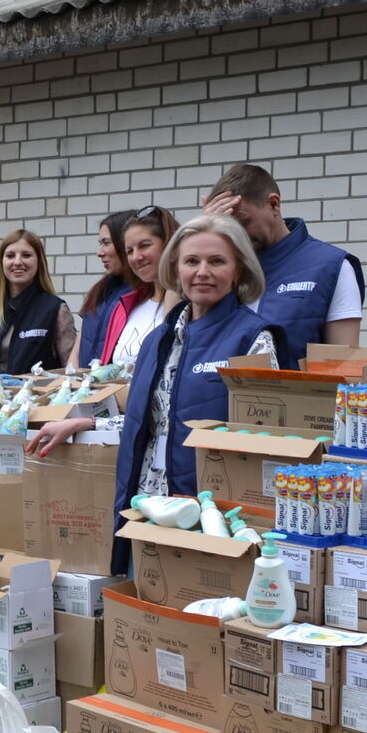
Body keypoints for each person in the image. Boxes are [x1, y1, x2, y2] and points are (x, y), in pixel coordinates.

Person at [27, 215, 289, 575]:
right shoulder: (158, 341)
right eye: (191, 261)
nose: (202, 272)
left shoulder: (253, 338)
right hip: (150, 504)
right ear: (175, 269)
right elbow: (150, 420)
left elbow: (266, 438)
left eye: (217, 261)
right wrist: (84, 423)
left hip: (214, 512)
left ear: (239, 270)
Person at [202, 163, 363, 353]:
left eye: (244, 222)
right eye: (229, 226)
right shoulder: (218, 269)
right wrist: (205, 236)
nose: (238, 235)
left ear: (273, 204)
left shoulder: (333, 266)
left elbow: (344, 364)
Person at [82, 205, 180, 370]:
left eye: (144, 245)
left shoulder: (190, 303)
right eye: (129, 251)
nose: (136, 257)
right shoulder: (127, 305)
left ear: (169, 244)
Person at [0, 229, 75, 375]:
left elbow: (72, 368)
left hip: (38, 397)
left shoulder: (55, 309)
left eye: (26, 255)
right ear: (1, 262)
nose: (17, 262)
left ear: (39, 261)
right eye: (10, 256)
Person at [70, 210, 135, 369]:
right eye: (100, 244)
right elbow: (80, 340)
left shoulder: (142, 295)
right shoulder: (99, 290)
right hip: (86, 388)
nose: (100, 252)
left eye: (106, 243)